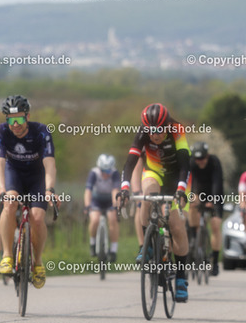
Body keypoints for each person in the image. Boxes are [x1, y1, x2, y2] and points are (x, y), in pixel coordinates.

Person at [118, 103, 190, 302]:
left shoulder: (177, 130)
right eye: (150, 130)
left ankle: (181, 278)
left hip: (177, 177)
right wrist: (124, 187)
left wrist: (181, 189)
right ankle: (146, 247)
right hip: (154, 172)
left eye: (158, 130)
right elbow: (130, 162)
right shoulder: (143, 132)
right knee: (147, 197)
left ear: (166, 126)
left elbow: (185, 164)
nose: (154, 135)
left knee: (176, 226)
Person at [0, 95, 58, 289]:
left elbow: (50, 163)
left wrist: (50, 189)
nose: (15, 125)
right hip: (14, 174)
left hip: (37, 177)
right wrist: (1, 189)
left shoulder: (41, 132)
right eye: (11, 120)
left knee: (37, 217)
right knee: (9, 203)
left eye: (20, 119)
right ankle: (7, 256)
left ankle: (37, 262)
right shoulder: (1, 131)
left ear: (28, 116)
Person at [188, 141, 223, 276]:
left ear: (207, 156)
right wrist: (192, 198)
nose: (200, 161)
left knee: (215, 225)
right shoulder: (192, 163)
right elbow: (190, 182)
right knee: (192, 207)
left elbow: (217, 182)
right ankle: (194, 237)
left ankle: (215, 262)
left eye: (202, 158)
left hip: (214, 193)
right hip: (198, 192)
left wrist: (213, 200)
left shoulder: (214, 162)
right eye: (197, 159)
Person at [84, 154, 120, 262]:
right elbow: (88, 191)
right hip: (96, 200)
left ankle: (113, 250)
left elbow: (115, 191)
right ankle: (92, 243)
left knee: (113, 219)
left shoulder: (115, 173)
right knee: (95, 219)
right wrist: (87, 206)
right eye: (103, 171)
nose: (105, 174)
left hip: (110, 200)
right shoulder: (94, 173)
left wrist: (115, 206)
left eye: (108, 171)